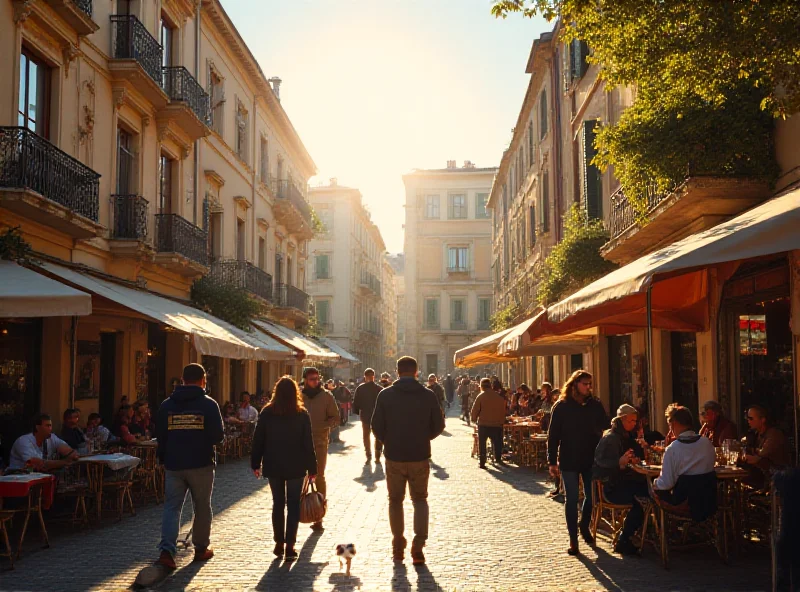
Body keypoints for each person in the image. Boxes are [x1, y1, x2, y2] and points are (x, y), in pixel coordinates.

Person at [372, 356, 445, 565]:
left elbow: (376, 425)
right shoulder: (428, 395)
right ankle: (418, 547)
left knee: (395, 500)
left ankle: (398, 546)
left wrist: (389, 440)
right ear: (416, 371)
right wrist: (423, 438)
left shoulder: (385, 395)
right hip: (419, 455)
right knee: (420, 500)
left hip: (394, 455)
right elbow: (439, 425)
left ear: (397, 371)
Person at [155, 363, 224, 569]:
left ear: (182, 380)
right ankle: (201, 549)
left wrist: (163, 458)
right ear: (203, 380)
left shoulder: (166, 405)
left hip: (174, 464)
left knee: (172, 507)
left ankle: (167, 551)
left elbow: (161, 436)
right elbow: (218, 436)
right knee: (202, 506)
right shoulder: (209, 405)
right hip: (200, 463)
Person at [251, 376, 318, 561]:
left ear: (276, 392)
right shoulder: (301, 414)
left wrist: (255, 463)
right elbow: (308, 444)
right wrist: (312, 469)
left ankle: (279, 542)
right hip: (296, 465)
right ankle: (290, 545)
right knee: (294, 504)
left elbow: (259, 439)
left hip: (273, 464)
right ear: (295, 393)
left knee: (278, 503)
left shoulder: (267, 412)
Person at [547, 370, 607, 555]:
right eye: (585, 384)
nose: (589, 387)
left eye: (590, 384)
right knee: (572, 499)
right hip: (569, 458)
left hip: (590, 458)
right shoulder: (562, 406)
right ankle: (574, 540)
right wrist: (552, 461)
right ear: (575, 385)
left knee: (591, 497)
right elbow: (553, 435)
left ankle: (584, 525)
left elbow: (605, 425)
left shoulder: (594, 405)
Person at [593, 404, 649, 555]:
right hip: (610, 488)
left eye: (634, 421)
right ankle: (625, 539)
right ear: (622, 420)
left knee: (648, 491)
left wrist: (633, 459)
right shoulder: (611, 438)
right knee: (642, 500)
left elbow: (629, 457)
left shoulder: (625, 435)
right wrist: (620, 463)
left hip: (621, 482)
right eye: (631, 421)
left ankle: (643, 533)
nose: (634, 424)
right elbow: (601, 464)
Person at [653, 405, 717, 522]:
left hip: (684, 505)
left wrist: (654, 483)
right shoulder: (707, 443)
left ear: (674, 423)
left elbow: (665, 484)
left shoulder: (673, 449)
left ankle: (661, 533)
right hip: (709, 503)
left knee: (654, 491)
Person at [300, 367, 340, 531]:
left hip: (320, 442)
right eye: (311, 379)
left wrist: (324, 426)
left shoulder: (326, 396)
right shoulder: (299, 396)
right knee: (299, 477)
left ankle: (319, 515)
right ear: (305, 380)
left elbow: (336, 417)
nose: (315, 381)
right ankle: (301, 511)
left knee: (319, 476)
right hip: (299, 443)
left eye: (317, 378)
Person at [741, 404, 791, 488]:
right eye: (747, 418)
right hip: (764, 474)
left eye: (751, 418)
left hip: (777, 476)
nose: (748, 421)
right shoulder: (756, 434)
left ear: (763, 420)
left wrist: (746, 455)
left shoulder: (774, 434)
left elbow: (761, 456)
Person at [9, 413, 78, 471]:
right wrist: (64, 462)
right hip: (17, 479)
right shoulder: (23, 441)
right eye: (47, 426)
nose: (50, 429)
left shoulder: (52, 438)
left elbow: (69, 451)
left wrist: (72, 455)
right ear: (37, 427)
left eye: (51, 426)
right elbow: (37, 464)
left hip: (36, 478)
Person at [470, 378, 507, 469]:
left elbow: (475, 410)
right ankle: (498, 458)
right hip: (496, 424)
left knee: (482, 444)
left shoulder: (481, 396)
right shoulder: (498, 397)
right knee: (497, 442)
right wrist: (501, 421)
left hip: (483, 424)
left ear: (482, 386)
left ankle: (482, 462)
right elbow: (503, 411)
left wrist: (473, 419)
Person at [352, 368, 384, 462]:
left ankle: (368, 455)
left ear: (364, 377)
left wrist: (358, 411)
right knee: (378, 435)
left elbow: (356, 403)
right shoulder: (379, 389)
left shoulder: (360, 388)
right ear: (373, 376)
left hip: (365, 416)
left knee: (366, 436)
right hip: (377, 416)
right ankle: (377, 456)